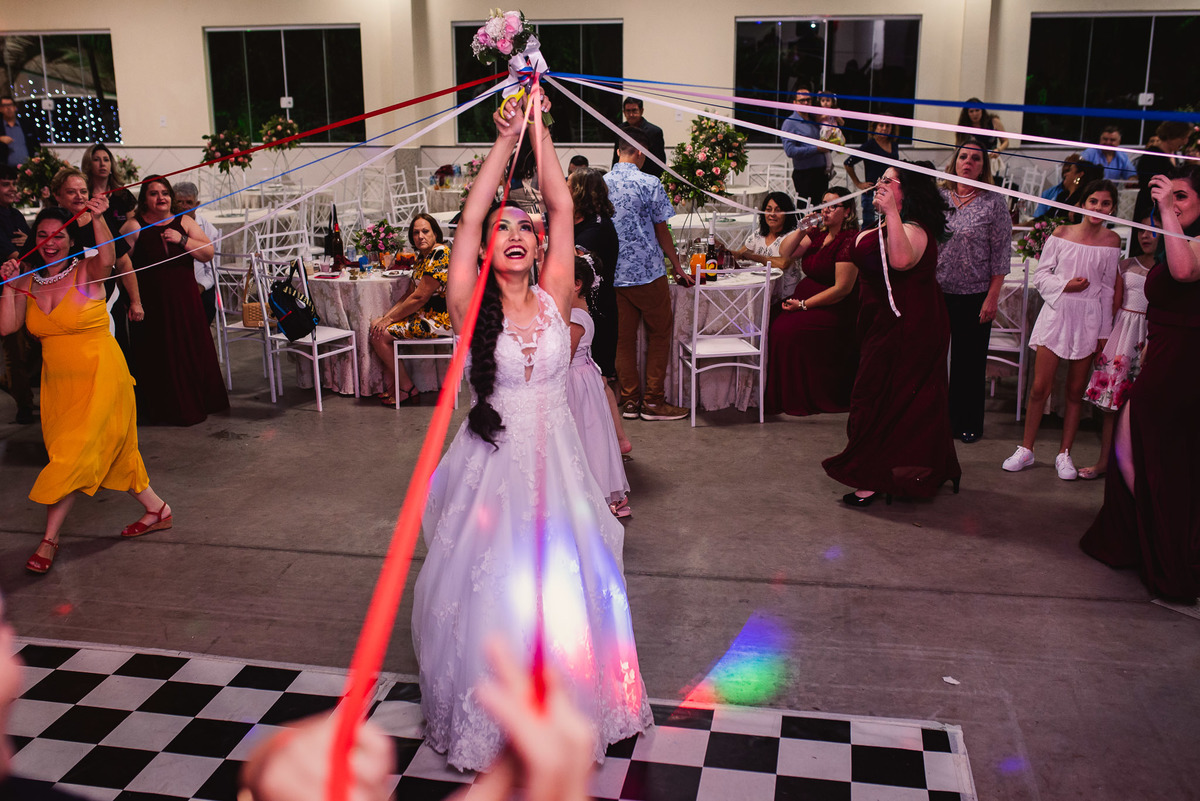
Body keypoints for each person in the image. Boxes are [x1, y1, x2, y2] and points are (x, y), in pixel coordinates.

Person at [411, 86, 653, 772]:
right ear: (486, 247)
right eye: (502, 228)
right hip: (491, 472)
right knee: (496, 593)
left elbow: (563, 203)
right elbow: (467, 217)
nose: (514, 234)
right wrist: (502, 139)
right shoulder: (468, 301)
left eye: (525, 227)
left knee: (567, 591)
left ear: (540, 243)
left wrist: (539, 127)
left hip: (560, 469)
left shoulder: (554, 295)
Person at [0, 206, 173, 575]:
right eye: (43, 235)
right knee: (115, 453)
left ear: (71, 239)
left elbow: (108, 257)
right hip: (58, 386)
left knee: (71, 457)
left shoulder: (87, 271)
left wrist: (96, 218)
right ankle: (158, 509)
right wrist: (7, 284)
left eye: (58, 235)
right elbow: (7, 326)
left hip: (102, 377)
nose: (50, 242)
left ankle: (49, 540)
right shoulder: (28, 281)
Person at [1080, 166, 1200, 601]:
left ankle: (1168, 544)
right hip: (1163, 356)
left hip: (1183, 363)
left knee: (1147, 453)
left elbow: (1184, 273)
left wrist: (1166, 209)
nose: (1174, 204)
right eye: (1171, 197)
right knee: (1138, 451)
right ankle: (1154, 536)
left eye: (1183, 196)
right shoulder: (1176, 241)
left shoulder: (1193, 243)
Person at [822, 164, 962, 505]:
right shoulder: (889, 223)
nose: (879, 185)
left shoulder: (914, 228)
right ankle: (897, 468)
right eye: (880, 179)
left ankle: (874, 476)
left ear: (906, 190)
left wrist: (891, 213)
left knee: (885, 397)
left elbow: (900, 261)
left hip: (910, 326)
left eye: (888, 180)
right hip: (881, 322)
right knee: (881, 393)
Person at [1003, 180, 1121, 479]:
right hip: (1057, 313)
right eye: (1093, 201)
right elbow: (1041, 275)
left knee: (1074, 391)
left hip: (1090, 318)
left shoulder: (1112, 241)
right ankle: (1026, 449)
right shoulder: (1061, 233)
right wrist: (1066, 285)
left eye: (1105, 203)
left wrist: (1104, 332)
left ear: (1112, 209)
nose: (1098, 208)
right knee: (1040, 387)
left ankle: (1064, 453)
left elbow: (1108, 289)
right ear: (1082, 204)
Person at [120, 175, 228, 426]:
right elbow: (121, 264)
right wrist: (133, 300)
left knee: (190, 350)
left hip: (185, 299)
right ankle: (164, 409)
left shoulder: (185, 221)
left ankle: (198, 402)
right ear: (144, 199)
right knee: (160, 354)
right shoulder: (134, 226)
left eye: (165, 193)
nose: (161, 198)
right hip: (153, 302)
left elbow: (208, 253)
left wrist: (182, 239)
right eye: (154, 193)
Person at [604, 127, 692, 421]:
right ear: (641, 152)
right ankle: (653, 401)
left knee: (623, 340)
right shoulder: (649, 182)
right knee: (659, 334)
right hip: (648, 273)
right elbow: (661, 229)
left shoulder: (602, 183)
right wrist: (677, 265)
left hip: (614, 274)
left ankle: (630, 401)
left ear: (619, 151)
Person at [936, 138, 1013, 443]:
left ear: (983, 167)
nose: (968, 162)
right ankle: (937, 420)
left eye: (976, 159)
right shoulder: (939, 198)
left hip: (975, 293)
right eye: (963, 157)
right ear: (954, 161)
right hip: (938, 291)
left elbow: (1001, 255)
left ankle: (968, 423)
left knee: (969, 362)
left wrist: (992, 297)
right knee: (934, 360)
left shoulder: (993, 203)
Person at [764, 187, 860, 416]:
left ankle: (798, 395)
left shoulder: (849, 240)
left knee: (786, 331)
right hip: (805, 298)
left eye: (833, 206)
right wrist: (801, 230)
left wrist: (804, 305)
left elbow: (842, 289)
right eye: (824, 205)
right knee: (771, 319)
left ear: (847, 211)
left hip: (833, 306)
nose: (826, 210)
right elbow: (785, 253)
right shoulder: (818, 233)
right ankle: (777, 393)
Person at [1077, 219, 1154, 480]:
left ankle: (1140, 467)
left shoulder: (1168, 269)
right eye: (1141, 230)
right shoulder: (1127, 264)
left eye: (1152, 231)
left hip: (1150, 334)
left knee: (1144, 405)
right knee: (1112, 403)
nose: (1145, 236)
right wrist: (1104, 339)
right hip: (1123, 333)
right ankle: (1104, 462)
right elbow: (1114, 303)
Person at [50, 167, 142, 358]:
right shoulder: (49, 225)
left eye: (83, 191)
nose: (79, 196)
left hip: (107, 306)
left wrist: (135, 301)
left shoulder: (100, 221)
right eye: (71, 192)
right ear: (57, 195)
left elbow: (124, 264)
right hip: (67, 312)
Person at [567, 252, 631, 517]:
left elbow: (563, 358)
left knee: (581, 438)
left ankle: (588, 495)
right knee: (586, 436)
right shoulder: (579, 312)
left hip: (573, 381)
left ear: (577, 284)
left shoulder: (575, 318)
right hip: (584, 378)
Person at [368, 213, 452, 406]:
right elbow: (409, 294)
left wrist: (388, 321)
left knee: (380, 335)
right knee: (376, 326)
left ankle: (406, 387)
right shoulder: (423, 257)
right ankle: (398, 385)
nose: (420, 236)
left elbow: (420, 297)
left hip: (439, 320)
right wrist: (386, 317)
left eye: (425, 231)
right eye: (416, 233)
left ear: (435, 233)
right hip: (423, 315)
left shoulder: (440, 254)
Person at [568, 168, 619, 378]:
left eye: (568, 187)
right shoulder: (578, 221)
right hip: (582, 308)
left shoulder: (597, 227)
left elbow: (572, 260)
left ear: (580, 192)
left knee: (599, 377)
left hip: (597, 311)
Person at [0, 164, 38, 424]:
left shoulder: (14, 214)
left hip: (22, 288)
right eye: (6, 184)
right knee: (14, 349)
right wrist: (26, 249)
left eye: (14, 184)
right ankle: (24, 404)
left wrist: (28, 247)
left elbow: (32, 248)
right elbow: (15, 255)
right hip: (5, 290)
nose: (12, 189)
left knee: (31, 345)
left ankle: (13, 384)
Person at [733, 192, 800, 297]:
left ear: (787, 214)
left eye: (778, 210)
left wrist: (753, 257)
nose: (772, 214)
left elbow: (783, 263)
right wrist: (722, 249)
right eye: (768, 210)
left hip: (784, 295)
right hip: (760, 290)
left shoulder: (793, 236)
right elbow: (740, 254)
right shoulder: (759, 233)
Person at [172, 181, 221, 324]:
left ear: (197, 204)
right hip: (174, 286)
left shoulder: (209, 230)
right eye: (179, 202)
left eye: (189, 202)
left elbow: (213, 269)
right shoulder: (166, 224)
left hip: (200, 286)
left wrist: (200, 287)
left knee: (206, 307)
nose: (184, 206)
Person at [845, 121, 901, 228]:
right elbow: (848, 163)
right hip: (872, 192)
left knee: (889, 224)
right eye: (881, 125)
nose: (884, 128)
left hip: (890, 192)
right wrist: (858, 183)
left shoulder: (894, 145)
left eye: (888, 126)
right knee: (869, 225)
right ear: (874, 128)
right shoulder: (869, 145)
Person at [1134, 121, 1191, 221]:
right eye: (1183, 138)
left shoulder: (1174, 156)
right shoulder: (1151, 156)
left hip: (1166, 208)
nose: (1185, 142)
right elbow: (1148, 185)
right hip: (1151, 209)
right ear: (1171, 136)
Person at [781, 87, 828, 207]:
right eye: (802, 100)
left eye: (808, 100)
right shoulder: (790, 123)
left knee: (822, 211)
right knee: (806, 212)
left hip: (821, 173)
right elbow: (790, 151)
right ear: (794, 102)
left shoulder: (815, 120)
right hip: (805, 175)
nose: (806, 103)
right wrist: (816, 149)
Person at [80, 143, 136, 229]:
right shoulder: (83, 196)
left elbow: (133, 227)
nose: (102, 164)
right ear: (89, 165)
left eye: (106, 160)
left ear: (111, 165)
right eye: (96, 160)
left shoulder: (123, 194)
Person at [609, 97, 666, 178]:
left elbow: (659, 162)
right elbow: (616, 157)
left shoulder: (654, 132)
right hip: (624, 178)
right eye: (628, 111)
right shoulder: (620, 130)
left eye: (634, 111)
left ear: (641, 111)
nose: (631, 115)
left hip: (646, 178)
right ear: (624, 112)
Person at [956, 98, 1008, 177]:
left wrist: (998, 150)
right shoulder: (964, 127)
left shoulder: (994, 121)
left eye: (977, 110)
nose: (975, 114)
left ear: (982, 110)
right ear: (967, 113)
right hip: (972, 162)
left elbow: (1006, 141)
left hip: (990, 161)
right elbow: (958, 147)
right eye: (971, 111)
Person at [0, 97, 40, 169]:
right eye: (5, 105)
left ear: (15, 107)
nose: (8, 108)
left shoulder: (26, 124)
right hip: (5, 170)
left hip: (28, 169)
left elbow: (36, 145)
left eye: (10, 105)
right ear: (1, 109)